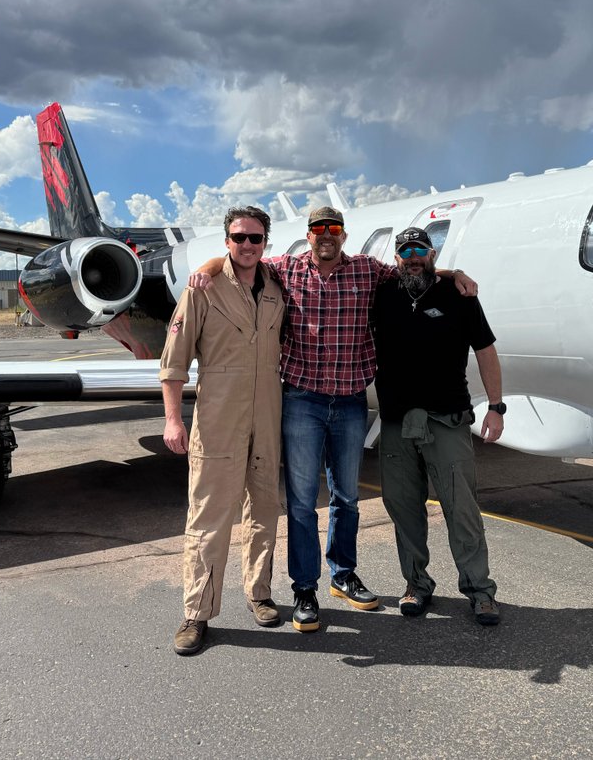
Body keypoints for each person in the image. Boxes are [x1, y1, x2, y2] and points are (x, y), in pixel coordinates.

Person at [191, 207, 476, 632]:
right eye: (318, 229)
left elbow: (413, 267)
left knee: (346, 497)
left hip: (349, 403)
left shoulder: (366, 271)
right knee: (303, 502)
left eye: (334, 229)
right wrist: (207, 265)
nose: (326, 235)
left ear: (343, 236)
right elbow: (238, 261)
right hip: (302, 400)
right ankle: (305, 588)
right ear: (308, 235)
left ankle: (343, 575)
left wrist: (454, 274)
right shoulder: (284, 270)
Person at [160, 206, 286, 655]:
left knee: (265, 512)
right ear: (226, 240)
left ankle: (260, 593)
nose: (247, 245)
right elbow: (173, 362)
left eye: (255, 238)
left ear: (265, 242)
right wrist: (173, 419)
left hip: (267, 419)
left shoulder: (276, 287)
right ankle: (196, 613)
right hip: (217, 421)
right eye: (239, 237)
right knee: (208, 519)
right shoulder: (202, 288)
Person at [372, 226, 504, 626]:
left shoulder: (458, 295)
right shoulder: (382, 295)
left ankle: (480, 590)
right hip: (395, 422)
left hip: (446, 419)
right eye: (405, 251)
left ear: (432, 254)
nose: (413, 256)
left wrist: (496, 406)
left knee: (461, 508)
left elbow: (485, 351)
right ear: (396, 260)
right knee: (403, 508)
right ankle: (416, 585)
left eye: (420, 249)